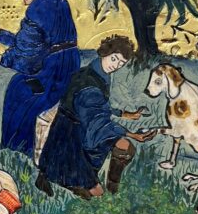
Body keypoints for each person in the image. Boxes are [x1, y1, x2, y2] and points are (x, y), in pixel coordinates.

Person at [0, 0, 80, 155]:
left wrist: (0, 59)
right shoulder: (58, 0)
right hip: (70, 64)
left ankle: (17, 149)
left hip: (53, 74)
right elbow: (31, 43)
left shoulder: (36, 11)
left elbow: (28, 56)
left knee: (19, 89)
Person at [37, 35, 149, 198]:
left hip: (80, 127)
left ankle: (108, 187)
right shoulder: (89, 83)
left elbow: (99, 106)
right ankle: (76, 183)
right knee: (98, 191)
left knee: (123, 147)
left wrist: (124, 114)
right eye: (114, 59)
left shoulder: (97, 73)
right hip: (71, 137)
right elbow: (96, 119)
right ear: (105, 53)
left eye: (121, 63)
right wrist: (131, 134)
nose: (116, 65)